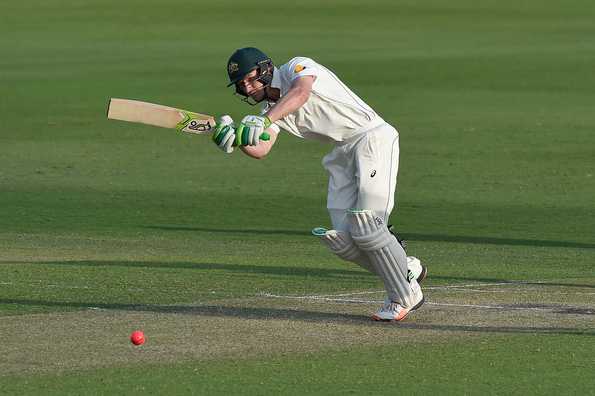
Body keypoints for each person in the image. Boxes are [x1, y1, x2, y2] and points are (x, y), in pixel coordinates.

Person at [212, 47, 426, 322]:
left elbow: (301, 94)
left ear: (266, 69)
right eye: (241, 86)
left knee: (368, 227)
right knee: (344, 240)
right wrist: (236, 140)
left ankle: (405, 295)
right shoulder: (270, 109)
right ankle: (406, 268)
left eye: (251, 79)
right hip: (343, 152)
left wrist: (263, 120)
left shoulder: (295, 69)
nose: (248, 87)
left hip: (372, 138)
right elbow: (262, 148)